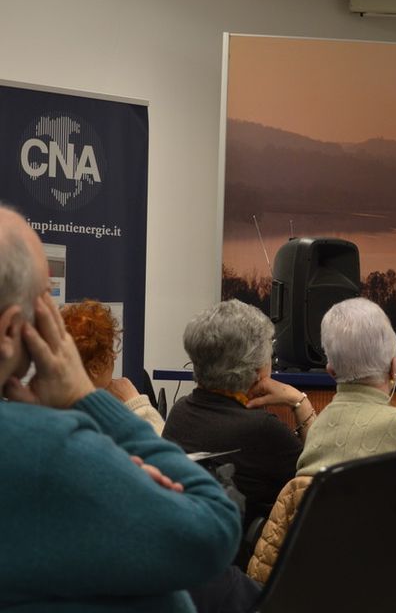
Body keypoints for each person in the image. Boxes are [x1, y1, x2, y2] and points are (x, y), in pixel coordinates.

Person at [0, 205, 240, 611]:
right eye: (45, 298)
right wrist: (85, 399)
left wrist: (112, 472)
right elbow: (214, 528)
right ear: (9, 330)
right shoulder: (40, 446)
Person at [246, 297, 396, 582]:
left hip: (322, 588)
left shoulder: (319, 429)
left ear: (331, 370)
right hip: (394, 585)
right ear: (393, 366)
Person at [163, 299, 315, 529]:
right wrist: (300, 402)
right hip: (246, 550)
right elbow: (320, 486)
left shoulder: (180, 412)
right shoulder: (262, 429)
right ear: (257, 370)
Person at [62, 298, 165, 434]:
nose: (115, 356)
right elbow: (159, 445)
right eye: (110, 350)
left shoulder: (56, 408)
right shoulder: (93, 424)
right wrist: (136, 402)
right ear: (95, 367)